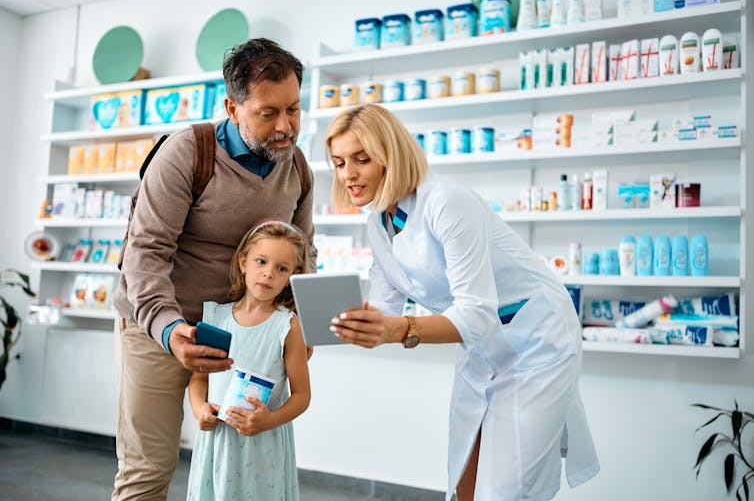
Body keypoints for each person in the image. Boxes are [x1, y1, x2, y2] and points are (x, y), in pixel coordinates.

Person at [325, 104, 599, 501]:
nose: (347, 174)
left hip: (537, 341)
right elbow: (385, 313)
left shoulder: (447, 202)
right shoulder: (378, 223)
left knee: (507, 489)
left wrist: (398, 331)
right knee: (464, 477)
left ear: (391, 156)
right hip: (481, 346)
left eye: (361, 159)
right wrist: (344, 322)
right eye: (338, 162)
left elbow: (474, 310)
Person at [112, 38, 316, 501]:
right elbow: (145, 254)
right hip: (158, 324)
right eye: (268, 113)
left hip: (240, 332)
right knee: (147, 471)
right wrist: (170, 331)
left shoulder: (297, 167)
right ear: (232, 106)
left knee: (237, 468)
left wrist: (303, 329)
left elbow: (304, 256)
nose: (285, 126)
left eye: (295, 109)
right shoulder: (187, 153)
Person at [186, 220, 311, 500]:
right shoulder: (215, 317)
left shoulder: (288, 327)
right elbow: (198, 378)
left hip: (263, 444)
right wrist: (199, 409)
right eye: (261, 261)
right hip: (218, 442)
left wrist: (268, 421)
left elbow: (302, 395)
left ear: (293, 275)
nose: (268, 274)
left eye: (281, 268)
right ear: (243, 262)